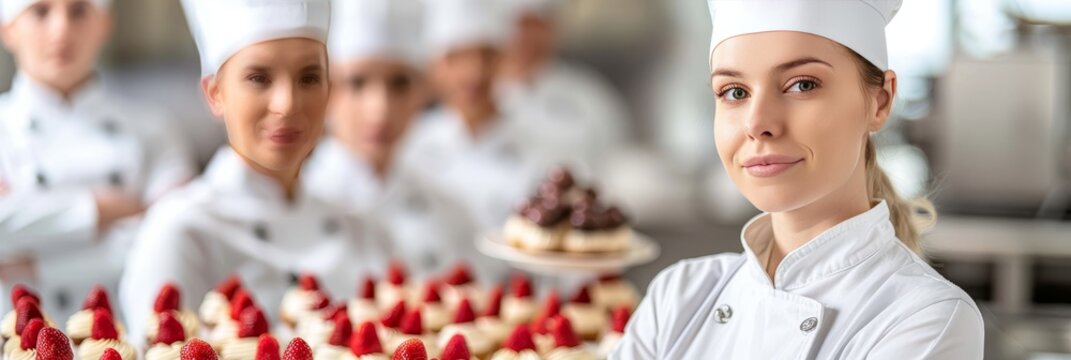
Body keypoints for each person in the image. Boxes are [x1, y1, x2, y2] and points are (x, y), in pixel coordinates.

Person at [613, 0, 985, 358]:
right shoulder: (678, 296)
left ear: (880, 101)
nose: (757, 124)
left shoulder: (925, 318)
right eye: (734, 92)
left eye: (802, 84)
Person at [120, 0, 391, 347]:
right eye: (258, 78)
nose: (287, 103)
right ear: (215, 93)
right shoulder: (181, 231)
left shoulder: (364, 230)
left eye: (309, 78)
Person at [0, 0, 194, 319]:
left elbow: (171, 237)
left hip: (127, 336)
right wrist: (98, 208)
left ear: (104, 24)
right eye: (40, 11)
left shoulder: (153, 130)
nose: (61, 29)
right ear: (8, 29)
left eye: (78, 11)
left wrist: (37, 266)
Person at [302, 0, 500, 278]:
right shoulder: (299, 205)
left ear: (422, 92)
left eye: (399, 83)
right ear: (327, 90)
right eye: (357, 83)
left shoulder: (452, 215)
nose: (380, 109)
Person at [401, 0, 543, 231]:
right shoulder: (409, 146)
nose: (473, 73)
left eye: (486, 55)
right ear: (434, 66)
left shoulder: (540, 152)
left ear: (504, 60)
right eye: (456, 57)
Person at [498, 0, 631, 178]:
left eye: (535, 25)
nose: (523, 36)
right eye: (516, 24)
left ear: (554, 28)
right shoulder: (473, 97)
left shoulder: (591, 96)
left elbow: (621, 168)